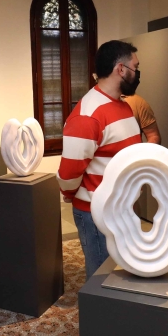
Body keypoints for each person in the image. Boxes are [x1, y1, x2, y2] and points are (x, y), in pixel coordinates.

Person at [57, 40, 142, 277]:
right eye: (135, 67)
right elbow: (69, 172)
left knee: (119, 276)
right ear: (121, 69)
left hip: (122, 209)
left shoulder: (122, 105)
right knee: (101, 281)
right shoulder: (88, 114)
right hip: (97, 212)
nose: (138, 73)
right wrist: (70, 194)